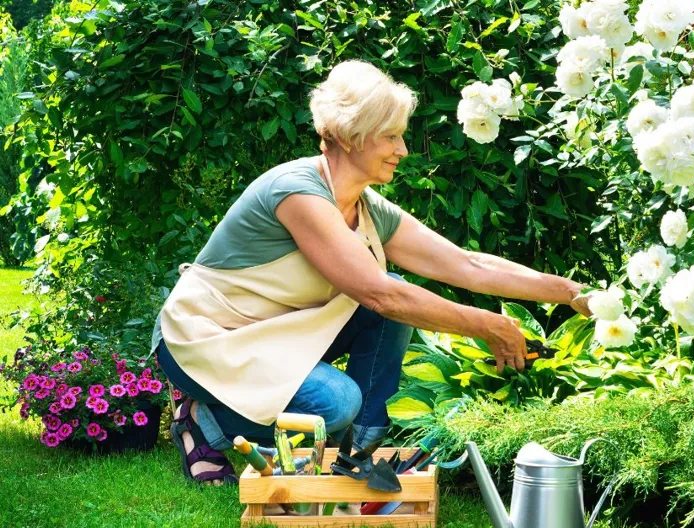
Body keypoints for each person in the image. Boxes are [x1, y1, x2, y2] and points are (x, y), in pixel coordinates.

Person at [152, 60, 593, 485]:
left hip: (276, 338)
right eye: (391, 137)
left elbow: (466, 263)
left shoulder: (365, 206)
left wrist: (571, 292)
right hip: (207, 339)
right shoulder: (296, 193)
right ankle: (203, 420)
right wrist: (487, 325)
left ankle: (356, 452)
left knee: (393, 301)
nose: (402, 150)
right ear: (349, 135)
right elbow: (380, 294)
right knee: (335, 401)